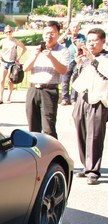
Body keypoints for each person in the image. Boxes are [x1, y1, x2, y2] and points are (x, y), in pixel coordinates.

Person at [71, 27, 108, 185]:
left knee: (94, 135)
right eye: (89, 41)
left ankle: (93, 170)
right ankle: (86, 166)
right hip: (82, 98)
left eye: (95, 41)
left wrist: (93, 59)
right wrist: (78, 64)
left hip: (98, 99)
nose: (91, 44)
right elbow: (75, 79)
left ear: (103, 42)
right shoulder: (85, 58)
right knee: (82, 132)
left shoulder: (104, 58)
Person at [23, 21, 69, 138]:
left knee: (48, 129)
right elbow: (25, 68)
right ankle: (34, 154)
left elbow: (63, 70)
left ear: (58, 34)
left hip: (49, 90)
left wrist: (51, 56)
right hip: (33, 90)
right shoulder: (36, 50)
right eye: (47, 33)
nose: (49, 36)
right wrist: (35, 55)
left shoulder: (63, 51)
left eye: (52, 33)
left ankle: (52, 154)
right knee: (33, 128)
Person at [0, 26, 27, 104]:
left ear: (12, 31)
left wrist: (19, 57)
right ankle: (0, 98)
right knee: (1, 80)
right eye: (6, 32)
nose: (8, 33)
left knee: (10, 81)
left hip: (12, 64)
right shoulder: (3, 41)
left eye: (9, 31)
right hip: (4, 62)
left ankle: (9, 97)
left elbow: (24, 49)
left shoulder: (16, 41)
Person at [59, 21, 85, 105]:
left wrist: (75, 41)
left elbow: (82, 46)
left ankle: (74, 99)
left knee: (75, 80)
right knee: (65, 80)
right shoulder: (67, 37)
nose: (74, 29)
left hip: (77, 60)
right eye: (73, 27)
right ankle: (65, 99)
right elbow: (58, 41)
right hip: (68, 60)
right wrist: (66, 33)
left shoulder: (81, 37)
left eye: (76, 27)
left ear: (78, 28)